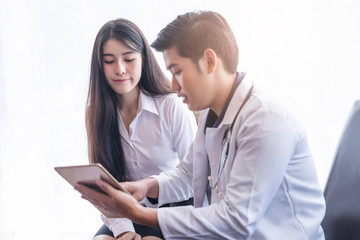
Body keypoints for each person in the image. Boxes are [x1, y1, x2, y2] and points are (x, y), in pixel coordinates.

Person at [76, 11, 326, 239]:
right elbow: (188, 173)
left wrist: (139, 214)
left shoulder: (266, 121)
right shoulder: (212, 114)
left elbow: (237, 221)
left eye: (177, 71)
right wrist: (146, 186)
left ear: (208, 61)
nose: (173, 86)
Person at [84, 18, 197, 240]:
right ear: (100, 65)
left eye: (128, 59)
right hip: (122, 214)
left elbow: (195, 178)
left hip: (172, 210)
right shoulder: (95, 113)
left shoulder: (170, 105)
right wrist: (124, 230)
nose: (120, 69)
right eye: (109, 61)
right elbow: (105, 186)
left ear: (143, 58)